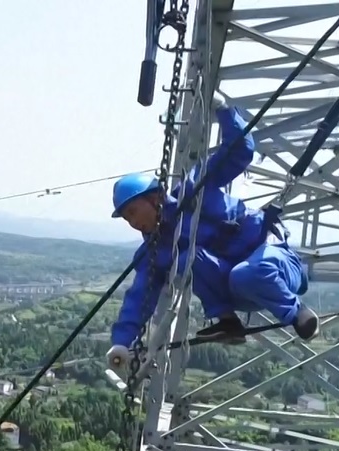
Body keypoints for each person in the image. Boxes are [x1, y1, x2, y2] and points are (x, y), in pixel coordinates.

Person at [107, 96, 318, 372]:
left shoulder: (194, 190)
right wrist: (121, 342)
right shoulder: (155, 251)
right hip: (237, 288)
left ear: (156, 198)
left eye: (133, 212)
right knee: (187, 260)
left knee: (246, 272)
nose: (133, 223)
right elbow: (139, 298)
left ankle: (298, 313)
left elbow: (238, 151)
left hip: (274, 264)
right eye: (126, 218)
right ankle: (228, 321)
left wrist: (224, 112)